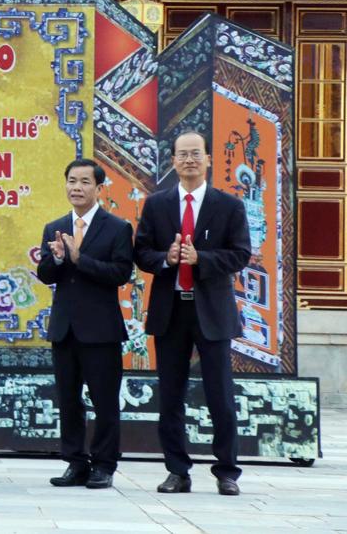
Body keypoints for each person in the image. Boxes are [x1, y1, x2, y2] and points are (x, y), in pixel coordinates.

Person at [135, 130, 251, 496]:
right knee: (170, 395)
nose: (189, 160)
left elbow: (241, 254)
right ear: (172, 161)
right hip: (171, 311)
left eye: (196, 154)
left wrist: (202, 259)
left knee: (220, 395)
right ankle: (177, 471)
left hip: (211, 311)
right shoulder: (157, 204)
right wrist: (164, 259)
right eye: (182, 154)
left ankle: (227, 471)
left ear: (208, 159)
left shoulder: (228, 206)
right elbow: (141, 251)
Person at [36, 158, 133, 490]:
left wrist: (79, 258)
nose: (76, 188)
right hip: (64, 328)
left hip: (101, 329)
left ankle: (104, 465)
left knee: (104, 401)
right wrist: (59, 259)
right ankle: (75, 462)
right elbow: (46, 274)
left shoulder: (117, 228)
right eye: (71, 181)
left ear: (99, 188)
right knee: (68, 399)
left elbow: (120, 273)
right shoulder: (54, 227)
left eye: (84, 182)